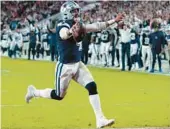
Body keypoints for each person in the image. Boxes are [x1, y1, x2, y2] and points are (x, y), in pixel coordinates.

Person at [25, 1, 124, 128]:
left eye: (77, 10)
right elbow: (63, 34)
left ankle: (100, 119)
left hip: (77, 64)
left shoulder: (78, 24)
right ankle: (34, 92)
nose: (77, 13)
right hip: (65, 67)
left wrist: (114, 21)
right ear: (66, 13)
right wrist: (71, 31)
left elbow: (96, 26)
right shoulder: (63, 25)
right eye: (74, 11)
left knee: (92, 86)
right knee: (58, 96)